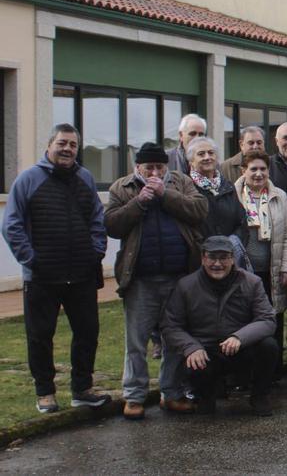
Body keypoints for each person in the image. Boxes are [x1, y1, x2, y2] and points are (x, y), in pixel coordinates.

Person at [3, 124, 111, 414]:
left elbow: (97, 220)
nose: (67, 149)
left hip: (82, 274)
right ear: (49, 145)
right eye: (62, 143)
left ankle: (82, 389)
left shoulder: (85, 178)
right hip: (42, 276)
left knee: (87, 332)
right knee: (40, 335)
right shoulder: (28, 179)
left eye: (73, 145)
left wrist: (96, 251)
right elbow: (11, 225)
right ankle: (45, 393)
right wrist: (31, 259)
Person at [105, 142, 208, 420]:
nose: (154, 172)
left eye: (159, 167)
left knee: (174, 338)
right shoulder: (122, 188)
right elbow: (112, 225)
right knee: (136, 341)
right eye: (149, 167)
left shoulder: (180, 181)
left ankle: (170, 394)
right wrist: (139, 203)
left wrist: (165, 196)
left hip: (179, 276)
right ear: (137, 167)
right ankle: (134, 396)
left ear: (167, 167)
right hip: (140, 279)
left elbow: (199, 210)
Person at [161, 235, 278, 416]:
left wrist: (240, 337)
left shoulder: (252, 282)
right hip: (206, 351)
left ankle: (260, 395)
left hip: (240, 349)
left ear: (232, 258)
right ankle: (206, 397)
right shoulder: (185, 286)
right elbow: (171, 326)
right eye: (212, 258)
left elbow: (267, 320)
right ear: (203, 258)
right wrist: (191, 347)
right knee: (194, 362)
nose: (217, 263)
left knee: (268, 346)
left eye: (223, 258)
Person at [234, 149, 287, 362]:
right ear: (243, 171)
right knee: (244, 318)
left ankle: (274, 369)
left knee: (273, 317)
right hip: (243, 271)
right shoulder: (232, 196)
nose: (259, 173)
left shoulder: (279, 196)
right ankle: (246, 371)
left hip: (273, 269)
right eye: (253, 169)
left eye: (263, 169)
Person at [187, 137, 245, 239]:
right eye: (201, 154)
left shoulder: (228, 186)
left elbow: (241, 221)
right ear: (191, 161)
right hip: (201, 252)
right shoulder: (187, 187)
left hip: (229, 251)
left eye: (211, 153)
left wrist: (234, 241)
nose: (207, 157)